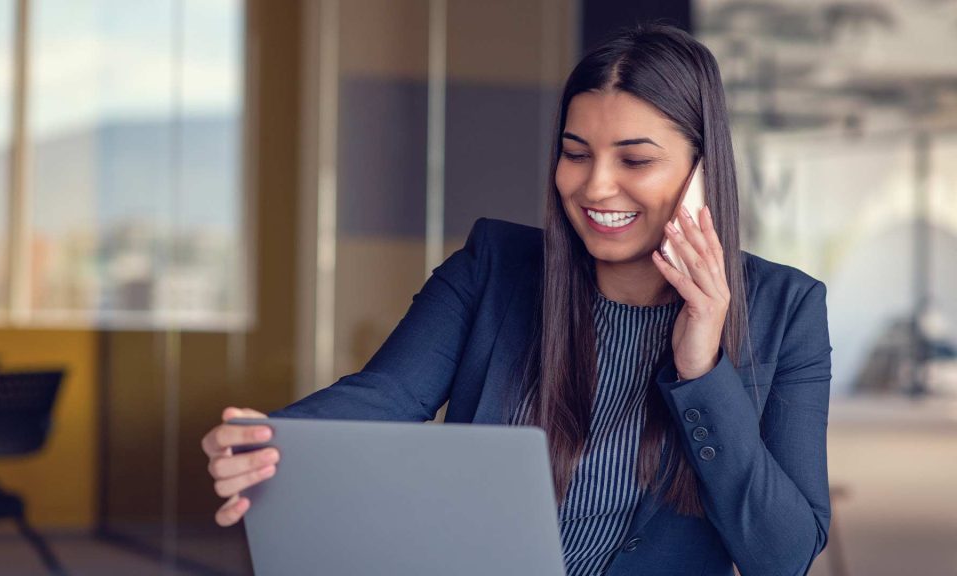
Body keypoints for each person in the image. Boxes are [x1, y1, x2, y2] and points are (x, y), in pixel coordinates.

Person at [201, 23, 832, 576]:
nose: (596, 186)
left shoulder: (787, 310)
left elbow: (782, 557)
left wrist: (703, 371)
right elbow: (384, 396)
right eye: (574, 154)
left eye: (635, 160)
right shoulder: (493, 268)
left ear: (701, 173)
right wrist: (268, 441)